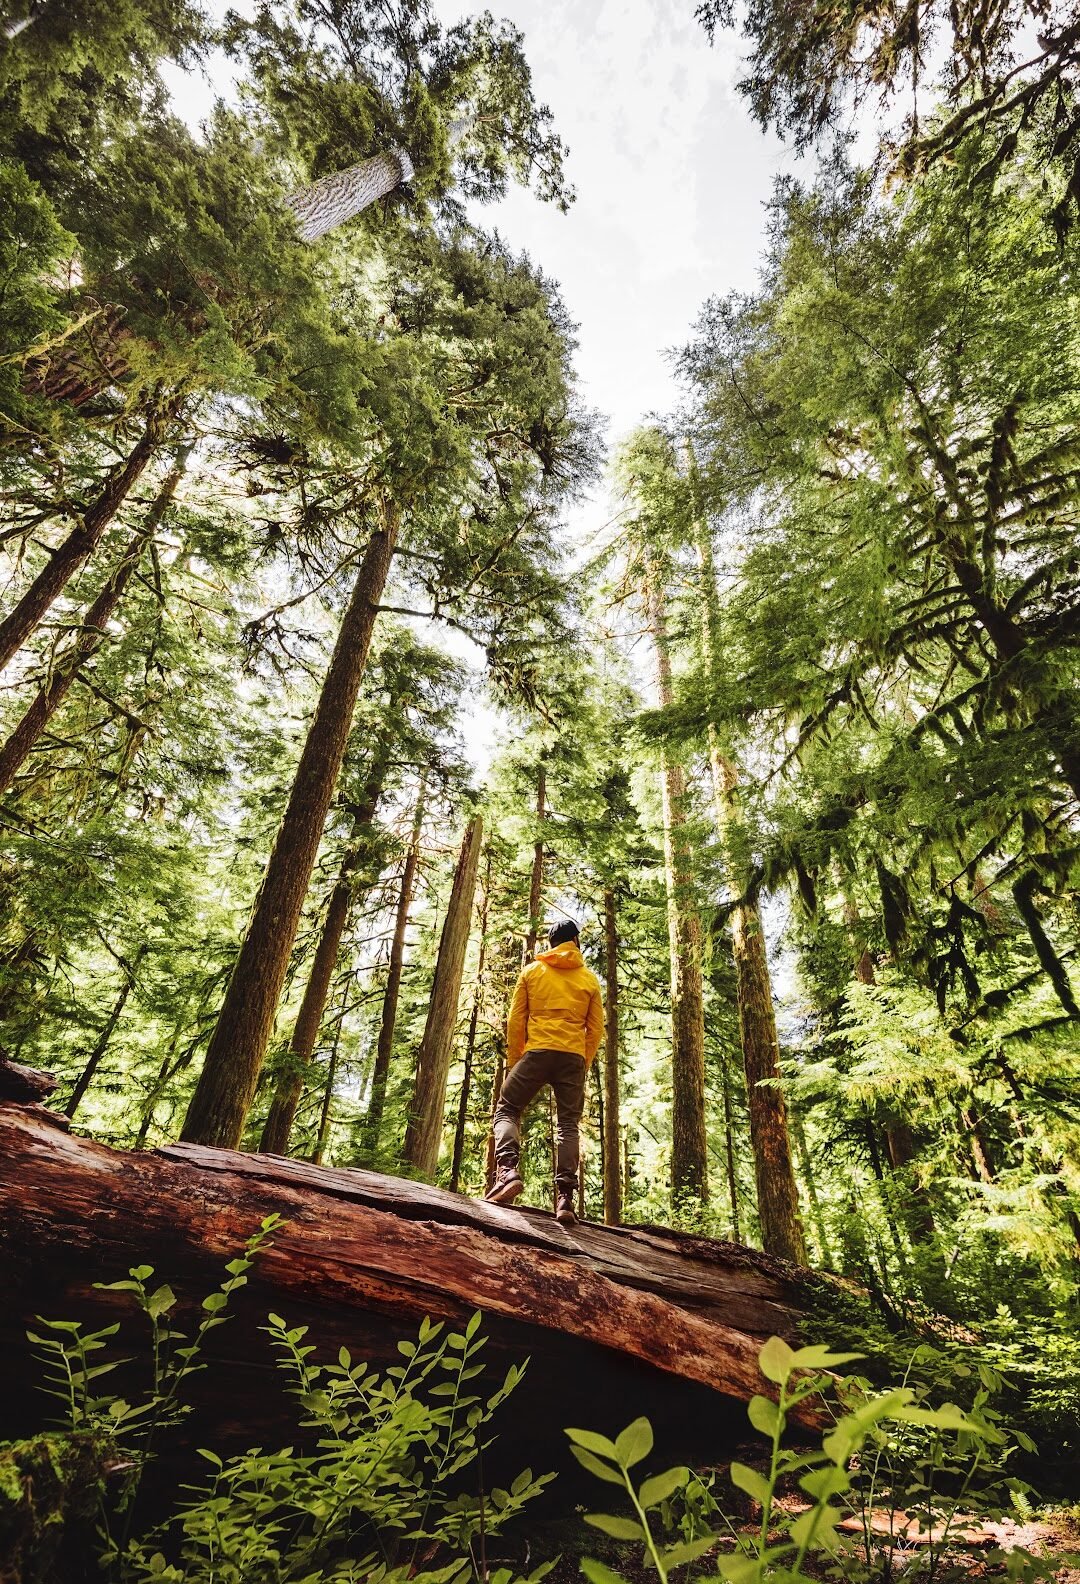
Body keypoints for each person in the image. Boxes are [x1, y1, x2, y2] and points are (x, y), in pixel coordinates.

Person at [485, 917, 604, 1227]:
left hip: (537, 1052)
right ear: (575, 942)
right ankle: (565, 1198)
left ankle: (507, 1171)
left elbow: (515, 1022)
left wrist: (516, 1062)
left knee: (507, 1108)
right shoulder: (589, 980)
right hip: (573, 1058)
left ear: (551, 945)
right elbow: (595, 1030)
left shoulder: (532, 972)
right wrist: (583, 1060)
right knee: (568, 1124)